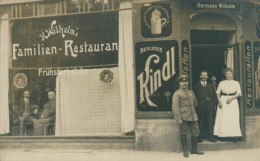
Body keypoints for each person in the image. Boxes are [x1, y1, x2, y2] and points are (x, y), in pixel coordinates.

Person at [172, 75, 204, 158]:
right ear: (179, 83)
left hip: (193, 116)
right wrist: (179, 119)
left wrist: (191, 110)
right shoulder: (177, 94)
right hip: (183, 117)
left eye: (186, 81)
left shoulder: (191, 92)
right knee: (183, 132)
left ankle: (194, 150)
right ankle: (185, 151)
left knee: (196, 131)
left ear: (188, 83)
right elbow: (175, 107)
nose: (184, 83)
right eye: (182, 81)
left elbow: (195, 103)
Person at [214, 68, 242, 141]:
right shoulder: (222, 83)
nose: (228, 75)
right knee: (223, 118)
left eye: (230, 73)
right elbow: (217, 93)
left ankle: (233, 136)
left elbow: (239, 93)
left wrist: (231, 98)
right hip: (223, 100)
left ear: (232, 74)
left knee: (232, 118)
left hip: (233, 101)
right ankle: (223, 135)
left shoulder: (236, 83)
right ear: (225, 75)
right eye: (227, 74)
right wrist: (219, 101)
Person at [193, 70, 217, 143]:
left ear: (207, 77)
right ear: (200, 76)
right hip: (200, 107)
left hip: (209, 107)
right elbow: (194, 98)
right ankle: (200, 138)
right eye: (202, 75)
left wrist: (213, 104)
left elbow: (214, 97)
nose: (204, 77)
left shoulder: (211, 86)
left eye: (205, 75)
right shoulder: (196, 86)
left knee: (210, 122)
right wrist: (196, 106)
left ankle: (211, 137)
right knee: (201, 122)